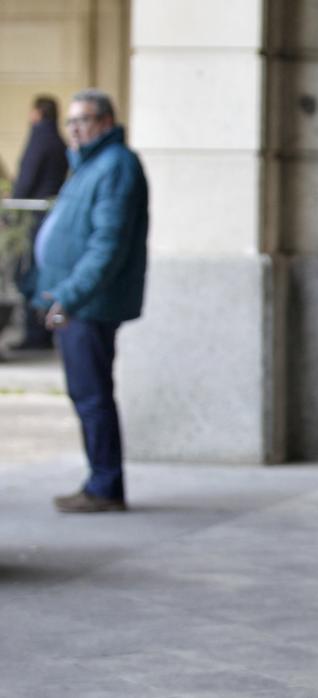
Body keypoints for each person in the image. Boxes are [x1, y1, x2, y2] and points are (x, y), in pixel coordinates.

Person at [34, 89, 148, 513]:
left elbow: (107, 246)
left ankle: (105, 486)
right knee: (87, 394)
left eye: (83, 121)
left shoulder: (115, 165)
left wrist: (68, 295)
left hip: (88, 304)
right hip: (76, 302)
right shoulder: (90, 163)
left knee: (93, 395)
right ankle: (99, 481)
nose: (75, 129)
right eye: (71, 122)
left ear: (105, 122)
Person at [10, 95, 70, 350]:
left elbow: (27, 176)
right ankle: (42, 330)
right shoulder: (58, 140)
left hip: (33, 216)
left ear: (38, 113)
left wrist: (12, 206)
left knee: (27, 274)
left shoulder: (40, 137)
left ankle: (36, 333)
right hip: (48, 214)